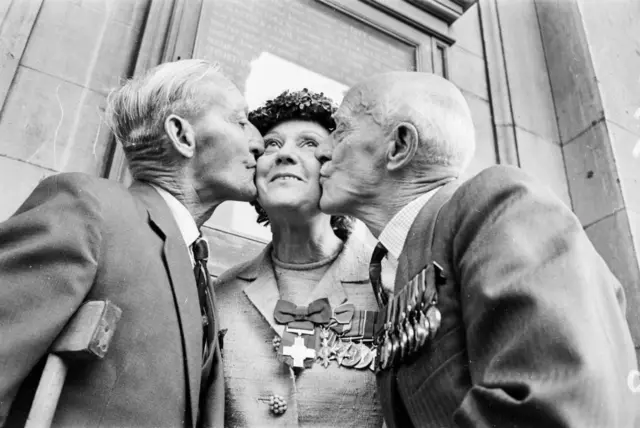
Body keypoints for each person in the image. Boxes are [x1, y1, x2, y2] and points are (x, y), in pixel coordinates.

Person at [314, 71, 639, 427]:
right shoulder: (392, 263)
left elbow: (558, 399)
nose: (321, 150)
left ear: (399, 146)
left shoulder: (499, 200)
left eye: (340, 129)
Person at [0, 59, 263, 427]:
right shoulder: (89, 208)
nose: (259, 142)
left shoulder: (193, 260)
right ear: (182, 136)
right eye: (239, 121)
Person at [214, 89, 384, 427]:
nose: (284, 155)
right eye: (271, 145)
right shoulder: (220, 293)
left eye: (308, 144)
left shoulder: (389, 281)